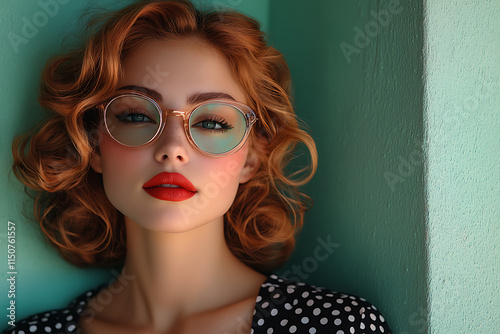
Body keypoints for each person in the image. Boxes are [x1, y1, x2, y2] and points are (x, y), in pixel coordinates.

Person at [5, 0, 391, 333]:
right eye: (138, 115)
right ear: (93, 144)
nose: (172, 148)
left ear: (252, 156)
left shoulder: (338, 327)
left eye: (212, 122)